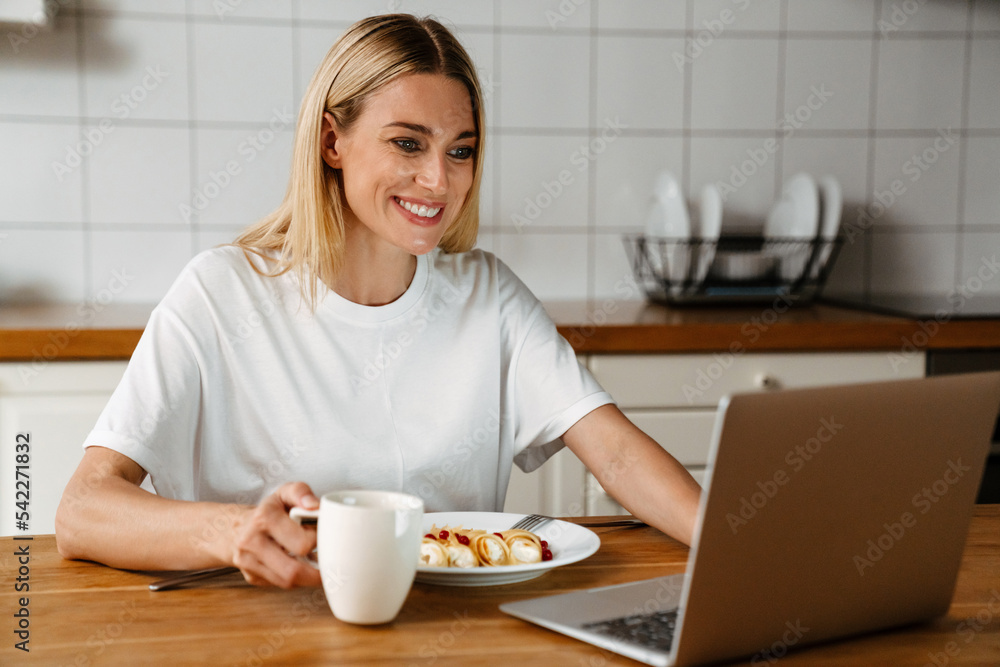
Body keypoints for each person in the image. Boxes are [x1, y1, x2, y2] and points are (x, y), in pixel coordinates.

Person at [55, 14, 701, 589]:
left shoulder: (489, 297)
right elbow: (82, 509)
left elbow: (615, 452)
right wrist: (232, 531)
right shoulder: (220, 293)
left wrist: (737, 546)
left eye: (461, 150)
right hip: (264, 633)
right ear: (333, 142)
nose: (438, 180)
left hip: (451, 635)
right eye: (408, 143)